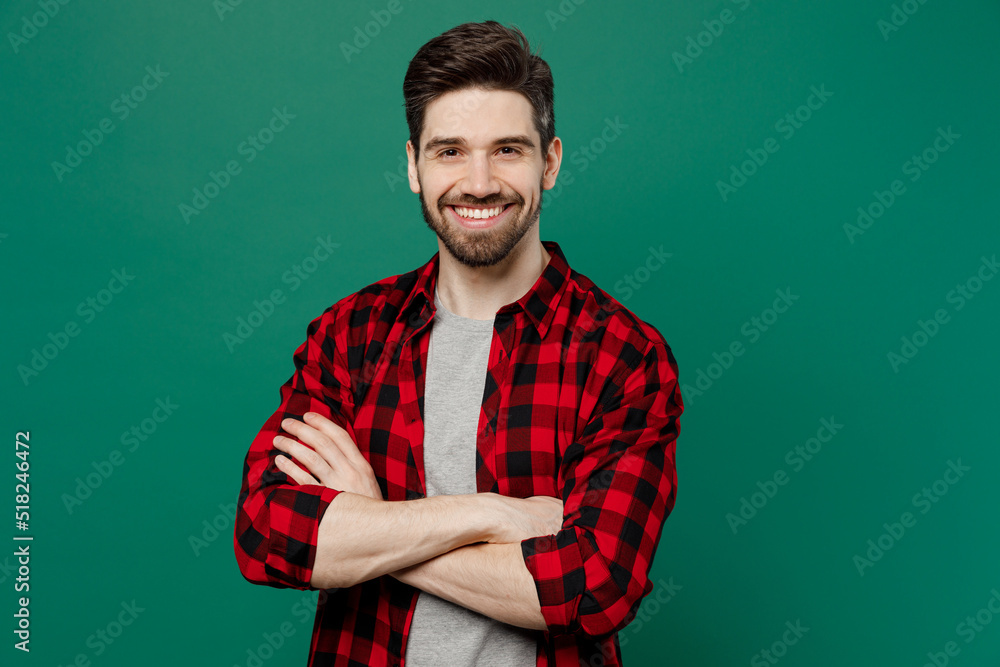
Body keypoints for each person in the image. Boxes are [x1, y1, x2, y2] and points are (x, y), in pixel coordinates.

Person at [233, 20, 683, 667]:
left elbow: (592, 587)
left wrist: (371, 522)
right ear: (413, 166)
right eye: (449, 151)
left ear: (549, 161)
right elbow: (267, 531)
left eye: (507, 149)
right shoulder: (351, 335)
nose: (478, 182)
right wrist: (495, 515)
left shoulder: (621, 354)